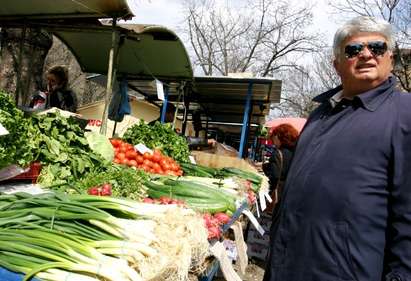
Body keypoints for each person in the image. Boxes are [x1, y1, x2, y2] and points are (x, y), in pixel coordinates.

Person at [264, 16, 411, 281]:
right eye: (353, 50)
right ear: (337, 64)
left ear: (390, 57)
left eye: (377, 47)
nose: (366, 54)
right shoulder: (319, 115)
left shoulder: (405, 114)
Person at [262, 124, 299, 211]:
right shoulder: (297, 153)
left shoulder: (278, 153)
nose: (273, 141)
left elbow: (274, 176)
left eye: (274, 137)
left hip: (279, 195)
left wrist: (266, 168)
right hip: (292, 195)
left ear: (279, 137)